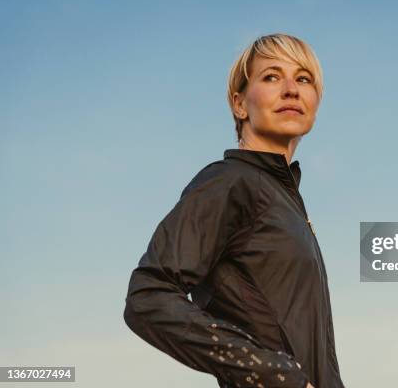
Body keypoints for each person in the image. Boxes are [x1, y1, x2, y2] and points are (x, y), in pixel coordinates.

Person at [123, 33, 345, 388]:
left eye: (304, 78)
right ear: (240, 104)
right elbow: (148, 296)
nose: (291, 88)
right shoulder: (231, 183)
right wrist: (270, 373)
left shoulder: (287, 203)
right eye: (271, 76)